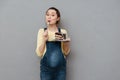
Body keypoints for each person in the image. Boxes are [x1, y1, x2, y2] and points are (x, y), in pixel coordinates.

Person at [36, 7, 70, 80]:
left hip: (60, 70)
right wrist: (44, 40)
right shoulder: (42, 31)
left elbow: (66, 52)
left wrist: (66, 43)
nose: (49, 17)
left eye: (52, 15)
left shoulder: (62, 32)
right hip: (46, 70)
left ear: (58, 18)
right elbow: (39, 53)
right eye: (47, 14)